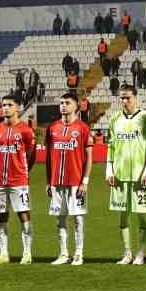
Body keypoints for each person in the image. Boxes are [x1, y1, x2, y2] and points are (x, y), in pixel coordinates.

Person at [105, 85, 146, 264]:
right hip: (119, 175)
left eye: (128, 98)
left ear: (136, 97)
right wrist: (109, 168)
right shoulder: (114, 118)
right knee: (122, 214)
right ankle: (127, 253)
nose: (125, 101)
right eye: (122, 98)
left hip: (139, 175)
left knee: (141, 213)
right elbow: (111, 146)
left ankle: (141, 253)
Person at [46, 92, 93, 265]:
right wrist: (48, 181)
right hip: (57, 182)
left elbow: (89, 157)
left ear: (75, 106)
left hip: (76, 182)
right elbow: (49, 158)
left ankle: (79, 253)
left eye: (66, 103)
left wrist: (85, 181)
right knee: (60, 218)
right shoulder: (52, 128)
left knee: (78, 218)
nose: (63, 106)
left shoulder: (83, 128)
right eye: (61, 103)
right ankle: (64, 254)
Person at [0, 95, 36, 264]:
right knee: (1, 216)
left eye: (9, 105)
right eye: (3, 105)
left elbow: (31, 155)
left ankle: (27, 253)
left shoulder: (25, 130)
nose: (6, 108)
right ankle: (3, 253)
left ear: (17, 108)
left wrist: (23, 172)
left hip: (19, 180)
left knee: (24, 215)